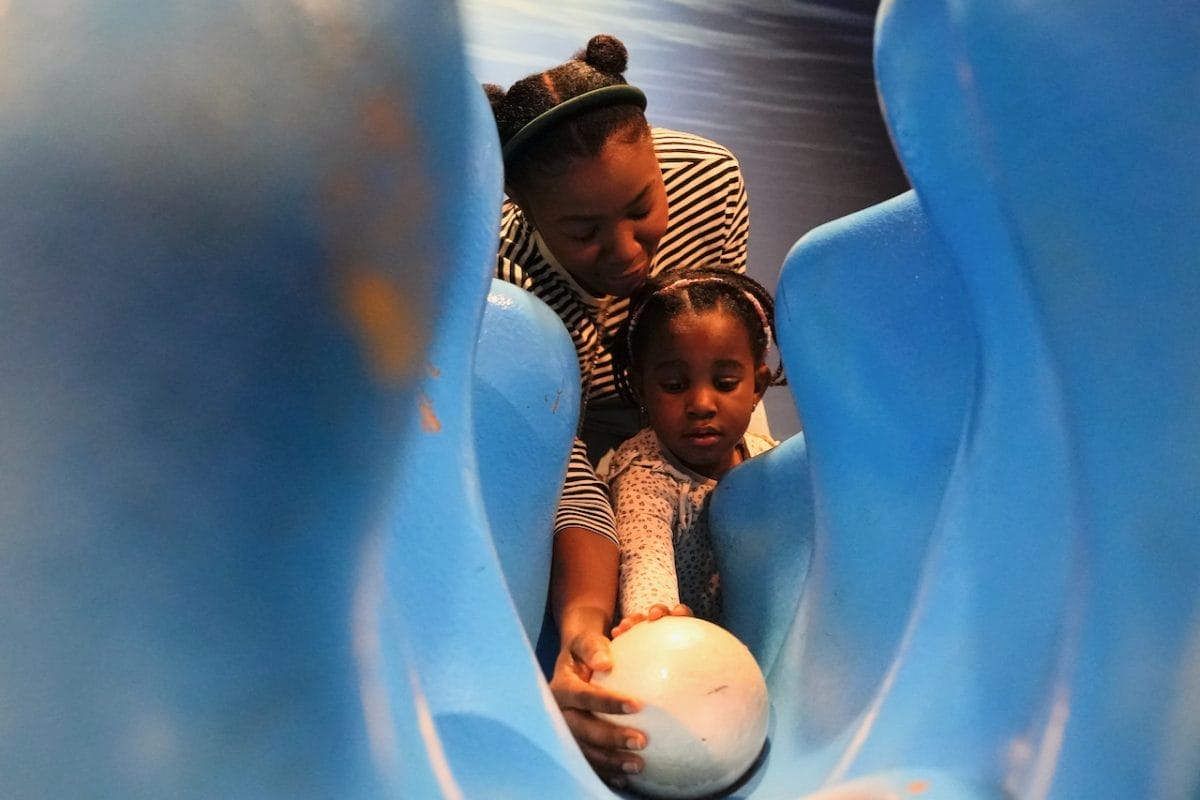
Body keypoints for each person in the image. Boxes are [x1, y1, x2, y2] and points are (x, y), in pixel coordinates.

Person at [483, 34, 751, 786]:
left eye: (641, 208)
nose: (629, 251)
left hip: (663, 398)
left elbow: (704, 333)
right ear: (526, 210)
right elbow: (561, 463)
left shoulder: (711, 181)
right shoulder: (506, 276)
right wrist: (583, 631)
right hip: (576, 429)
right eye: (584, 232)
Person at [605, 267, 784, 638]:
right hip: (679, 653)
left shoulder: (768, 461)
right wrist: (657, 615)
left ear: (757, 386)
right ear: (641, 388)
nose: (701, 403)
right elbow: (644, 555)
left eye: (725, 383)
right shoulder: (644, 473)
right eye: (674, 385)